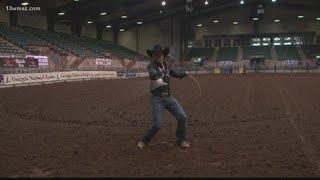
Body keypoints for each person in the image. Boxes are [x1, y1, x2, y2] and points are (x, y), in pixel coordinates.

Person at [137, 44, 191, 149]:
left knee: (182, 117)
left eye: (160, 54)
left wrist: (182, 74)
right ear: (153, 56)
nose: (158, 56)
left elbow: (173, 73)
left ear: (163, 55)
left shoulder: (165, 65)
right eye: (156, 54)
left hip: (168, 97)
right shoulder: (151, 66)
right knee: (157, 125)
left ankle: (181, 140)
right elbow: (152, 75)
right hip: (157, 98)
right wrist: (160, 74)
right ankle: (144, 140)